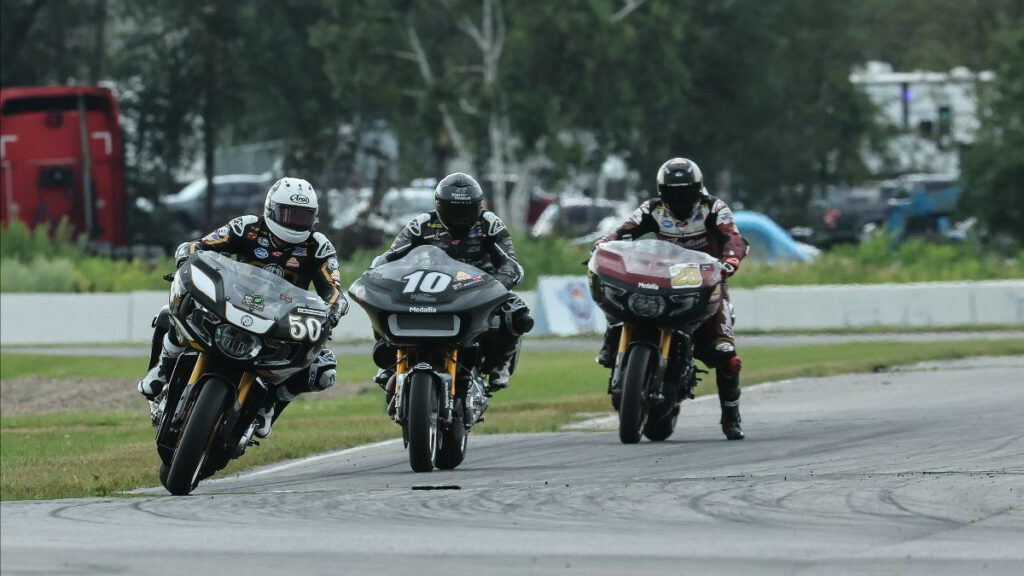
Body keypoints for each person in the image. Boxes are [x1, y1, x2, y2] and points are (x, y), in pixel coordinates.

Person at [138, 177, 348, 438]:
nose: (294, 222)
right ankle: (163, 368)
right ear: (271, 209)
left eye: (302, 217)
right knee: (171, 313)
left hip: (280, 320)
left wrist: (334, 309)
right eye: (288, 214)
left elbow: (334, 288)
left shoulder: (319, 246)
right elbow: (202, 245)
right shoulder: (247, 227)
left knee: (323, 367)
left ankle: (270, 404)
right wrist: (186, 254)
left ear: (314, 218)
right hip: (231, 303)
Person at [595, 158, 747, 440]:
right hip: (659, 280)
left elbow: (733, 237)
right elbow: (622, 231)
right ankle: (611, 346)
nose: (679, 198)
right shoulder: (652, 209)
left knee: (724, 352)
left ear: (697, 189)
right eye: (673, 192)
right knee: (622, 304)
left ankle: (731, 415)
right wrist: (603, 246)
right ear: (662, 191)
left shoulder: (714, 208)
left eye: (685, 191)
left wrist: (730, 259)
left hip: (704, 284)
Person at [370, 172, 533, 395]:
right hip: (427, 286)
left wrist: (499, 285)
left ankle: (498, 366)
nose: (460, 216)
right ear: (439, 205)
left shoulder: (489, 224)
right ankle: (390, 364)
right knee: (383, 304)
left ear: (478, 205)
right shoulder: (422, 224)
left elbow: (510, 263)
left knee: (518, 313)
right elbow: (390, 257)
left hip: (479, 289)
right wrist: (376, 274)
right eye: (453, 209)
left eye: (467, 209)